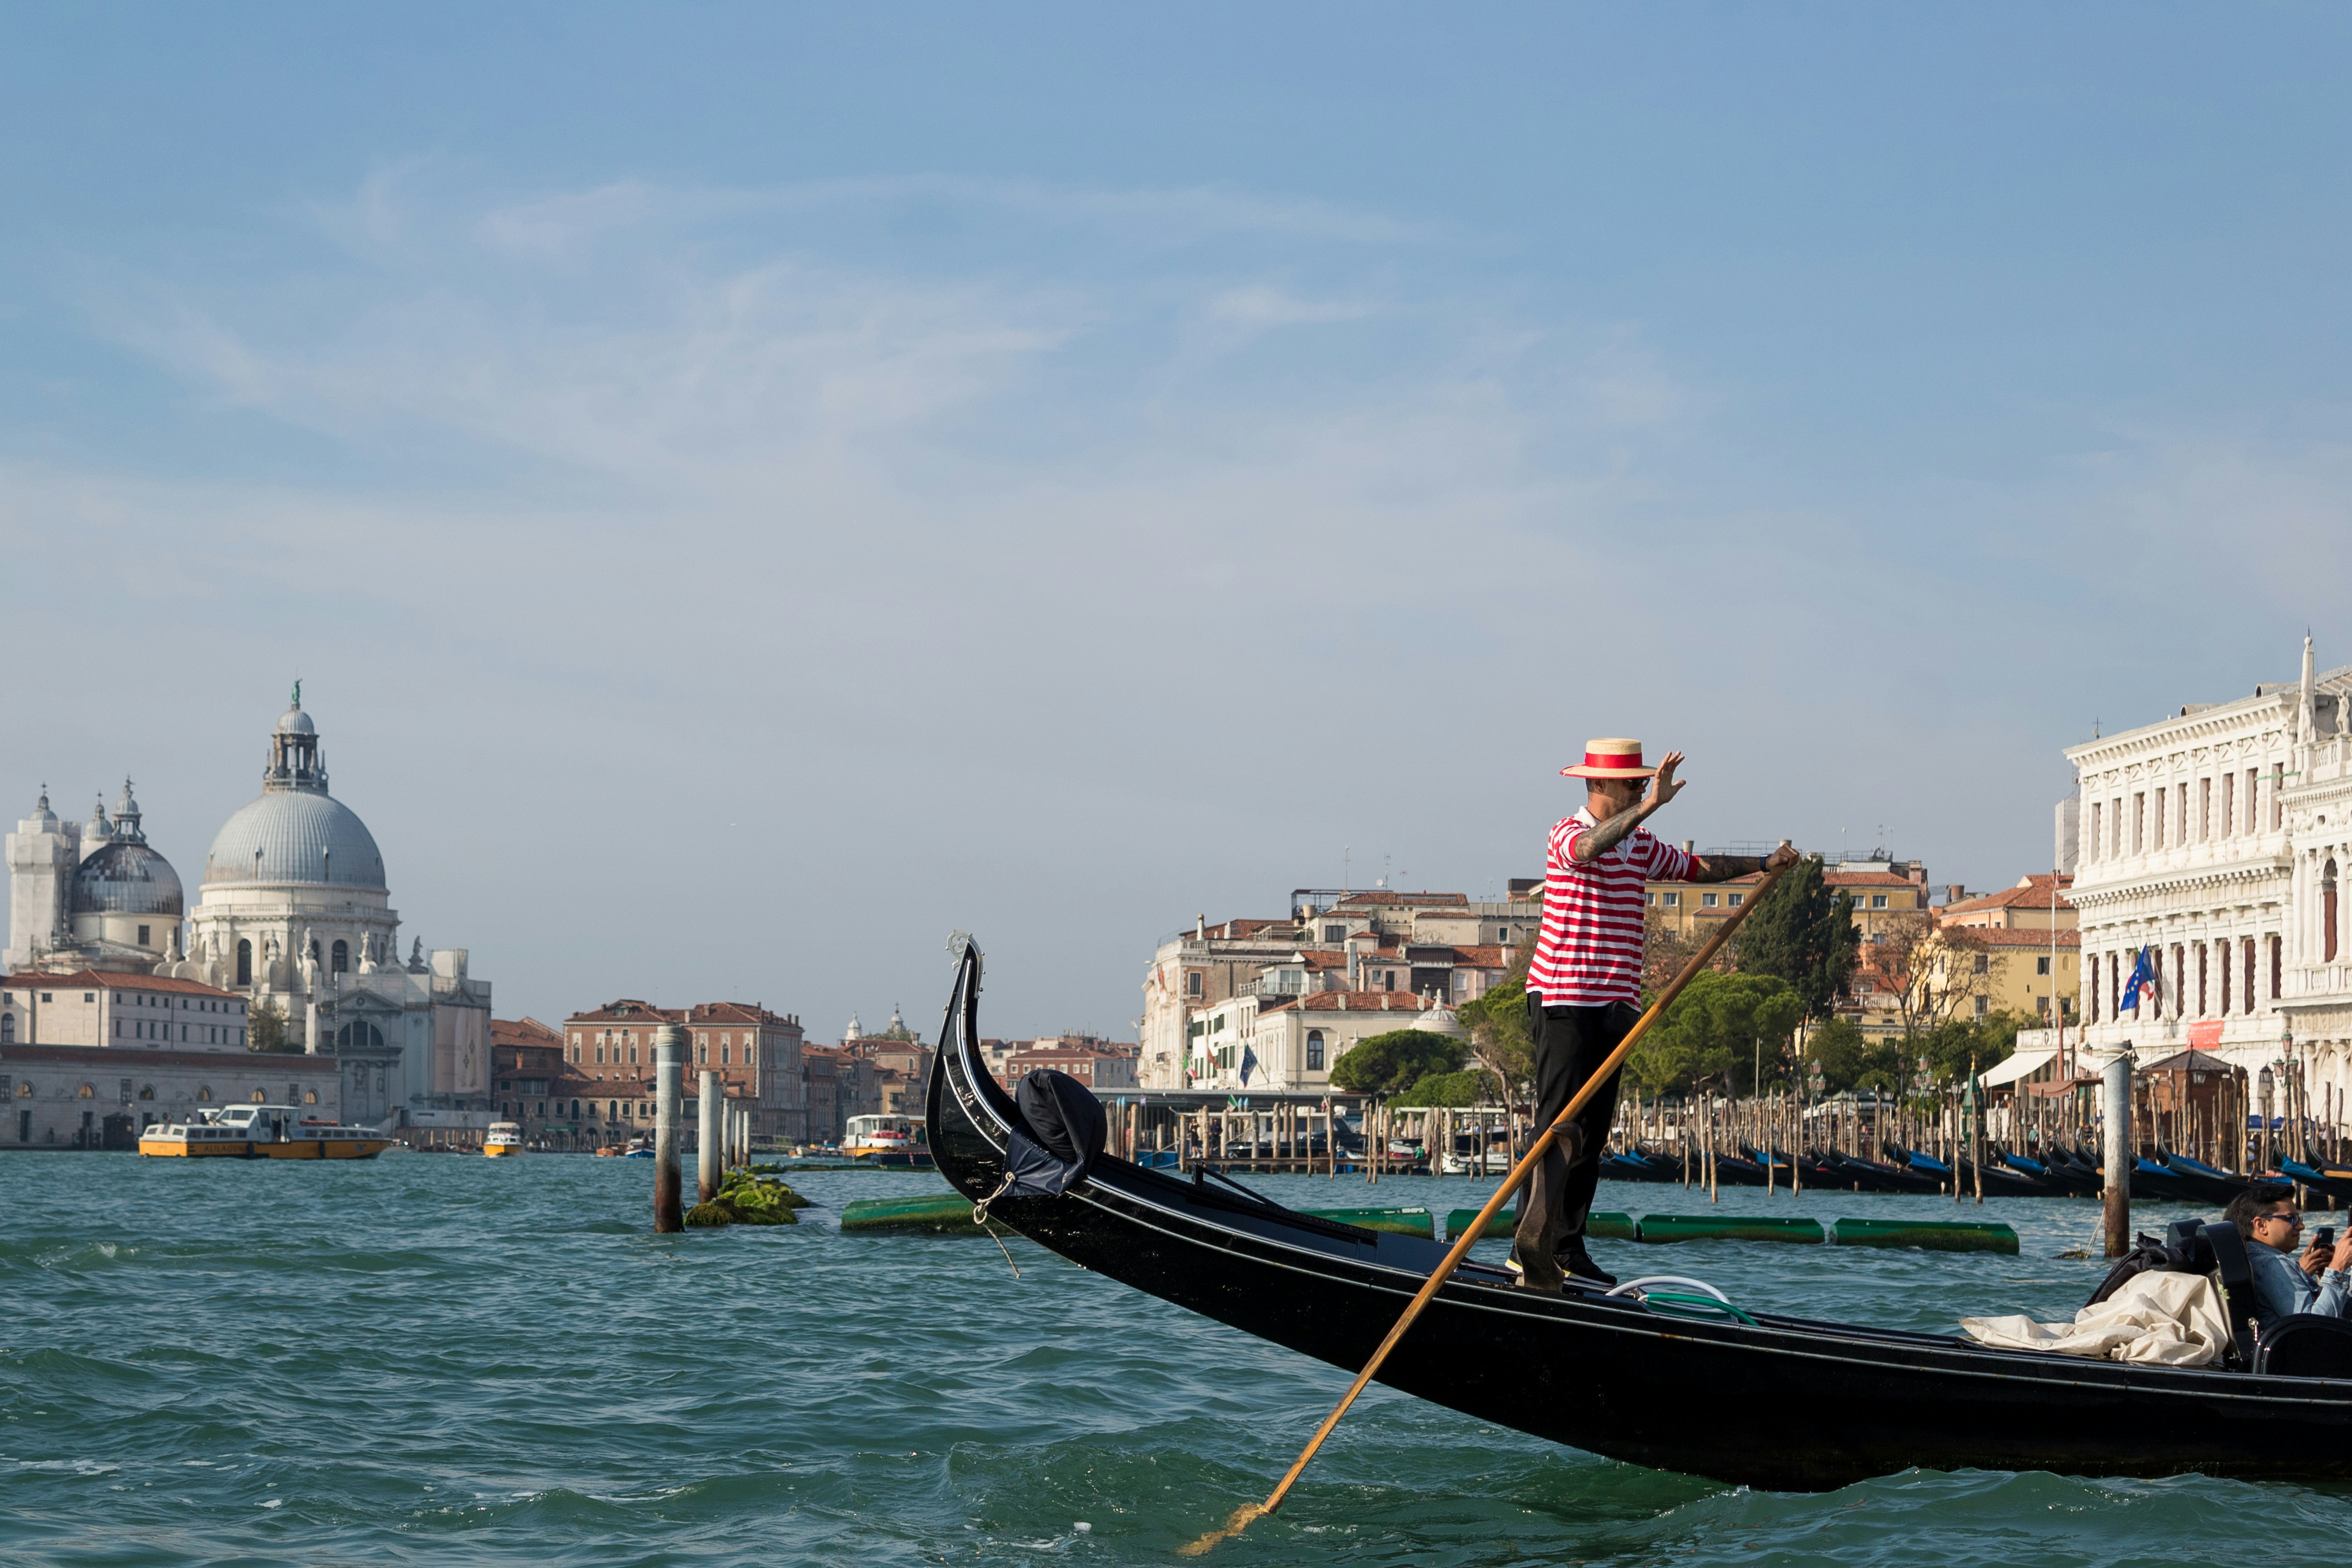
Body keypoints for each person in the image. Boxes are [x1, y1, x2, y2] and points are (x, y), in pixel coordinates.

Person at [1513, 738, 1798, 1291]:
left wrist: (1764, 863)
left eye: (1644, 785)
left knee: (1592, 1138)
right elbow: (1588, 850)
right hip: (1564, 999)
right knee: (1557, 1127)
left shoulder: (1639, 845)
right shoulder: (1565, 835)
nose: (1644, 789)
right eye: (1634, 784)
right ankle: (1527, 1248)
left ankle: (1567, 1249)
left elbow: (1699, 867)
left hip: (1617, 1005)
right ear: (1598, 785)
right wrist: (1650, 808)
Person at [2225, 1187, 2352, 1331]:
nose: (2301, 1226)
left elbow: (2343, 1310)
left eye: (2299, 1219)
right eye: (2292, 1219)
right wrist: (2337, 1268)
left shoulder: (2258, 1260)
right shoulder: (2272, 1264)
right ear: (2261, 1225)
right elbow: (2314, 1327)